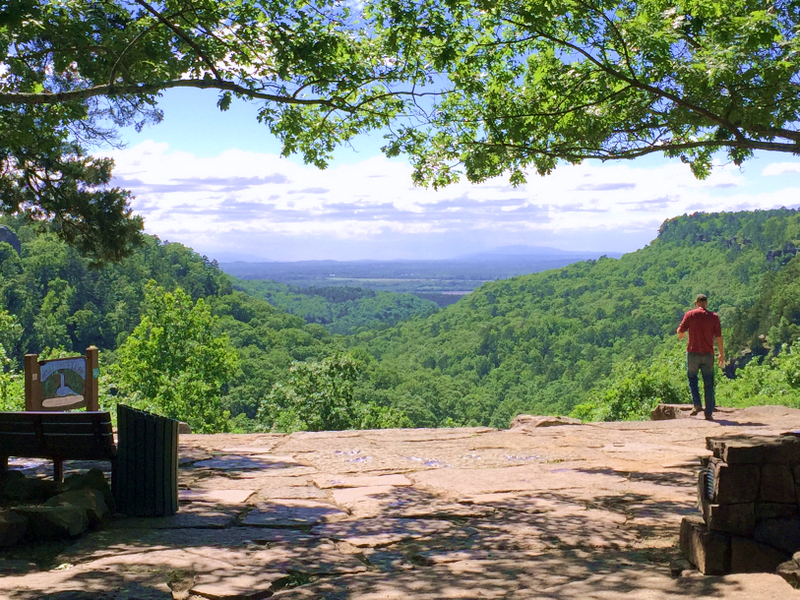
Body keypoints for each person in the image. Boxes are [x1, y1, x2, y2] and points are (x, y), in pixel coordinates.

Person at [677, 294, 724, 420]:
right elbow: (719, 337)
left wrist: (683, 336)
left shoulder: (690, 315)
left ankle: (697, 404)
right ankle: (708, 412)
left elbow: (680, 330)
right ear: (706, 303)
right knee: (708, 382)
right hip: (708, 353)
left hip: (693, 353)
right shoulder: (714, 317)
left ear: (696, 303)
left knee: (692, 379)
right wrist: (721, 354)